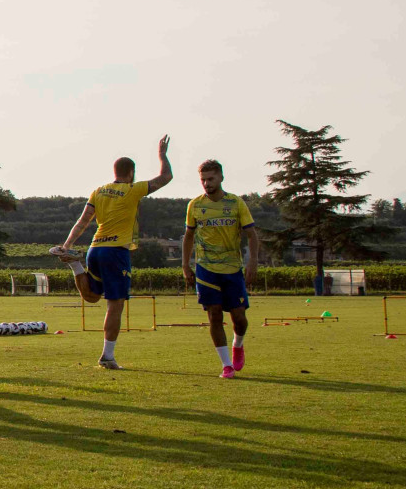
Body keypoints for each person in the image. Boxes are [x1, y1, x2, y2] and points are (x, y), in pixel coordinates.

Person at [52, 136, 172, 369]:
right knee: (115, 305)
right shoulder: (132, 189)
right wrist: (162, 155)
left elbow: (83, 221)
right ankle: (107, 356)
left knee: (92, 296)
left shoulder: (99, 191)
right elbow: (165, 178)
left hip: (95, 250)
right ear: (131, 173)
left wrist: (66, 245)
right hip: (116, 253)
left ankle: (75, 265)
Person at [183, 159, 259, 379]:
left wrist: (252, 261)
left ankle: (238, 344)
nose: (206, 184)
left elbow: (252, 234)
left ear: (221, 177)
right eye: (203, 180)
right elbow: (188, 236)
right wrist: (185, 264)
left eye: (211, 179)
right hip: (206, 268)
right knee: (214, 315)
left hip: (233, 268)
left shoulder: (236, 203)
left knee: (239, 317)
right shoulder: (195, 205)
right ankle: (226, 365)